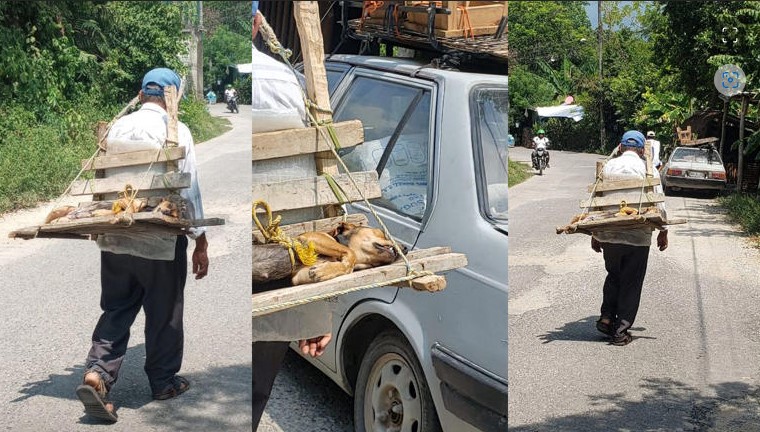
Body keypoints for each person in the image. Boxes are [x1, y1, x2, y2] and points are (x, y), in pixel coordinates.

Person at [76, 68, 210, 422]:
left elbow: (102, 184)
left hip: (116, 234)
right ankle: (163, 381)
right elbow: (190, 188)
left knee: (118, 307)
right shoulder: (176, 130)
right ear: (173, 97)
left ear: (140, 93)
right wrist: (201, 241)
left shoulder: (116, 128)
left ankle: (97, 373)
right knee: (164, 311)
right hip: (159, 239)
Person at [251, 5, 332, 429]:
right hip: (277, 262)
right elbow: (311, 207)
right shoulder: (288, 81)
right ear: (256, 23)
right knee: (254, 390)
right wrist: (313, 312)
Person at [590, 130, 668, 346]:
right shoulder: (648, 168)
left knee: (613, 275)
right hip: (637, 236)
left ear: (621, 146)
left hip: (610, 235)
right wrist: (663, 231)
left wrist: (596, 235)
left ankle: (606, 319)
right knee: (631, 282)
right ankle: (620, 331)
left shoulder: (607, 167)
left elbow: (596, 202)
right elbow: (659, 202)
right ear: (643, 150)